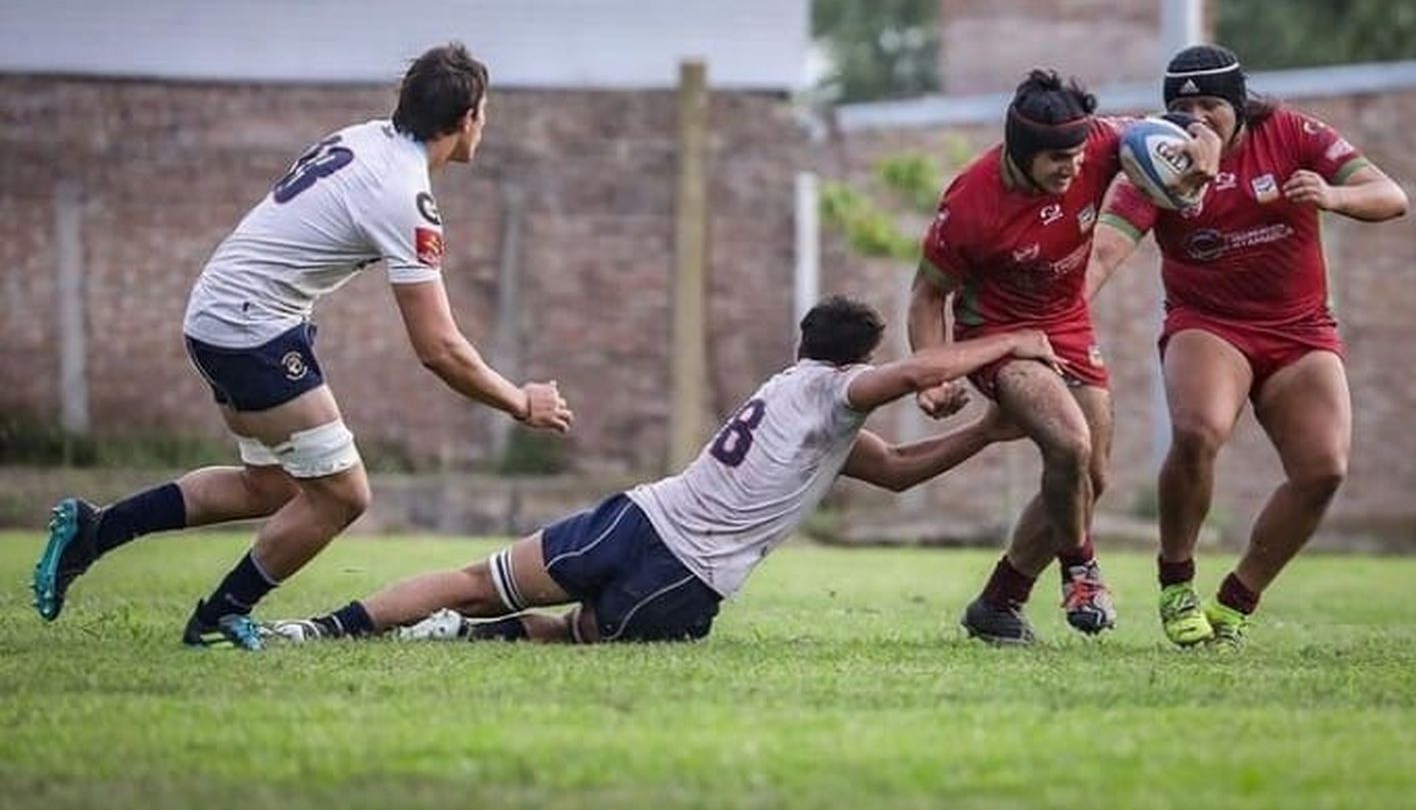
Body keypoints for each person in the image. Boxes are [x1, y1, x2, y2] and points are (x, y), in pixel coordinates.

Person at [31, 42, 573, 651]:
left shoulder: (365, 138)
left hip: (225, 311)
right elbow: (439, 347)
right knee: (343, 495)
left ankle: (94, 531)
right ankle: (218, 618)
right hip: (250, 326)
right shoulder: (405, 196)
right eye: (486, 111)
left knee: (269, 487)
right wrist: (520, 402)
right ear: (468, 117)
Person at [267, 296, 1051, 646]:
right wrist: (1016, 341)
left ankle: (323, 629)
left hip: (636, 515)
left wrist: (988, 429)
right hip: (687, 574)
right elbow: (917, 375)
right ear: (854, 360)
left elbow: (901, 468)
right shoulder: (836, 387)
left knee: (478, 576)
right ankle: (459, 638)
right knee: (573, 635)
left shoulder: (792, 395)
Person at [1086, 43, 1408, 648]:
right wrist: (1062, 320)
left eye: (1211, 104)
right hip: (1208, 323)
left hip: (1300, 330)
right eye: (1184, 107)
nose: (1198, 118)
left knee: (1323, 469)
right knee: (1198, 431)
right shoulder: (1160, 161)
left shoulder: (1289, 132)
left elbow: (1391, 197)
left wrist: (1333, 196)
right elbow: (1105, 250)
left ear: (1237, 104)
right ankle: (1176, 578)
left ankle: (1237, 601)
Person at [908, 69, 1220, 646]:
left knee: (1091, 477)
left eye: (1078, 156)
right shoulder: (972, 204)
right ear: (1020, 154)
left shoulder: (1102, 141)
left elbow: (1185, 125)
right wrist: (930, 373)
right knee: (1069, 444)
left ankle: (999, 602)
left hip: (1067, 322)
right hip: (997, 335)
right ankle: (1082, 570)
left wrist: (1205, 149)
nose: (1073, 169)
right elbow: (928, 294)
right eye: (1057, 160)